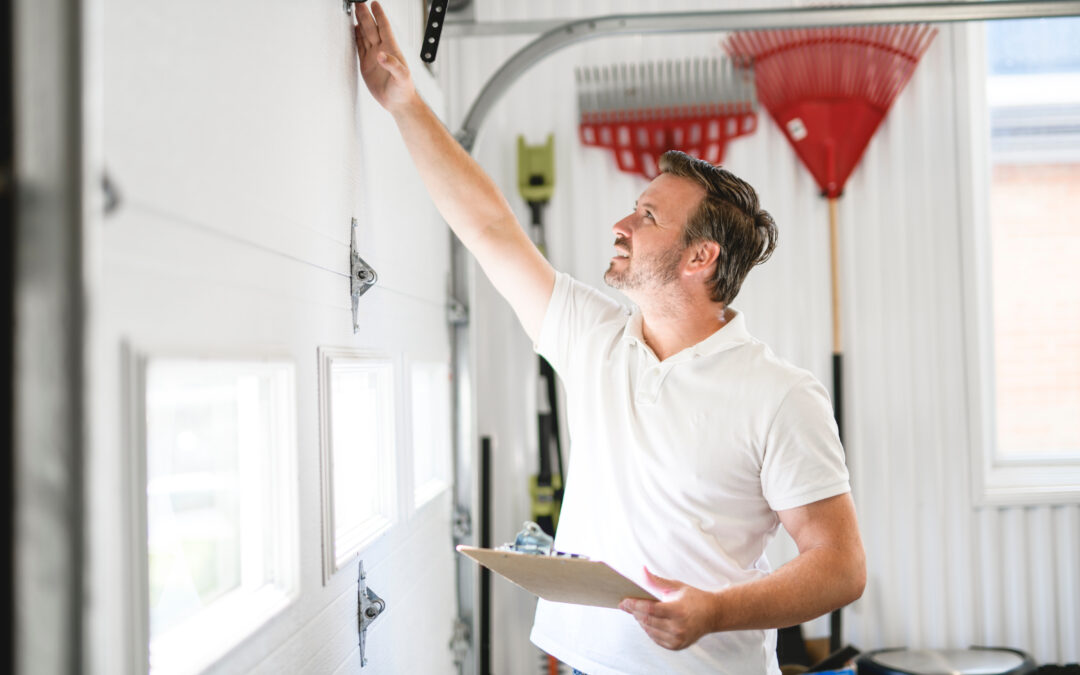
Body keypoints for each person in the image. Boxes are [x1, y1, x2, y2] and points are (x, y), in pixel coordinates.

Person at [353, 3, 866, 673]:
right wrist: (404, 103)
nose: (621, 225)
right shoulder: (594, 335)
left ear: (699, 257)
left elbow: (839, 565)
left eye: (647, 216)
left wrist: (714, 610)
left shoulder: (779, 395)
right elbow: (490, 229)